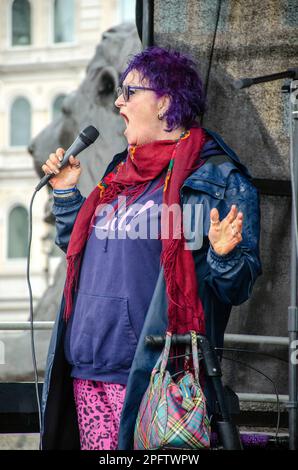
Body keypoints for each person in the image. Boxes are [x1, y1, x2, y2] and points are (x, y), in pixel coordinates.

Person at [41, 46, 261, 450]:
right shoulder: (118, 174)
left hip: (154, 380)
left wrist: (224, 255)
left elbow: (238, 286)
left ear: (166, 103)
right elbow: (80, 249)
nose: (119, 101)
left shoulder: (218, 180)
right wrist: (67, 192)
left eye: (130, 91)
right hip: (88, 373)